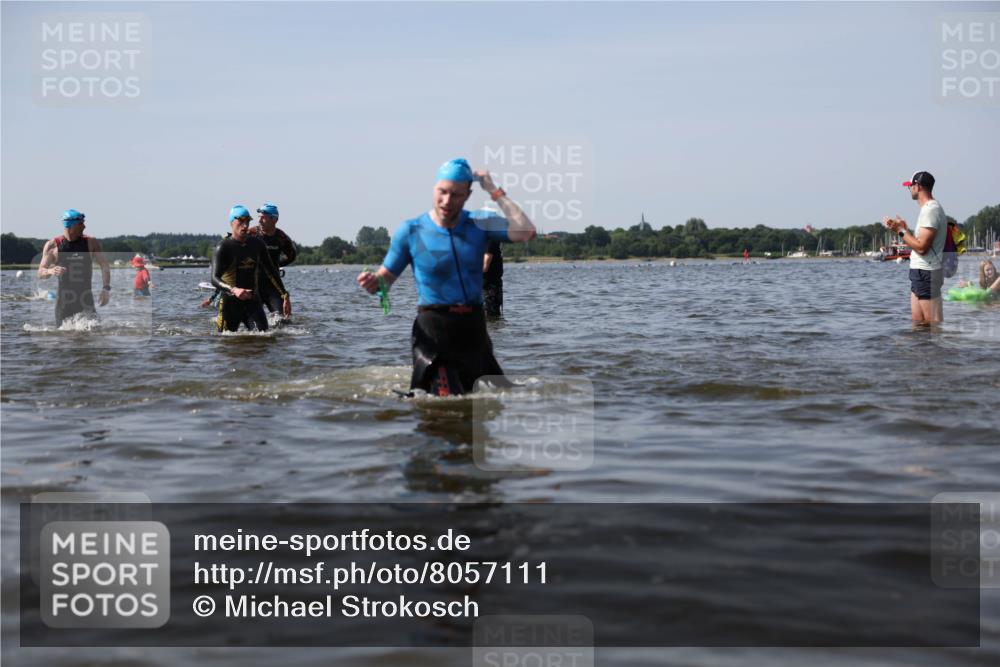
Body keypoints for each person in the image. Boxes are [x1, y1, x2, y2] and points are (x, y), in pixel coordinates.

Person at [356, 158, 536, 396]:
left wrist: (494, 190)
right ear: (434, 188)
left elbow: (526, 231)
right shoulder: (411, 230)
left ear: (468, 195)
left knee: (494, 399)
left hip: (473, 329)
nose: (447, 201)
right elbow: (386, 278)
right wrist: (374, 283)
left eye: (456, 195)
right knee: (442, 402)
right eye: (442, 192)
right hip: (433, 330)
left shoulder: (479, 224)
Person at [211, 205, 291, 332]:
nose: (245, 225)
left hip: (252, 302)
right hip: (230, 303)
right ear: (232, 223)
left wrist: (284, 295)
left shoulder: (257, 244)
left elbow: (271, 272)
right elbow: (214, 278)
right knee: (225, 345)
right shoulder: (223, 246)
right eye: (241, 221)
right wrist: (233, 289)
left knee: (264, 338)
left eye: (247, 221)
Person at [884, 171, 947, 324]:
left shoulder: (931, 210)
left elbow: (922, 248)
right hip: (920, 272)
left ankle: (938, 349)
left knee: (933, 325)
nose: (910, 189)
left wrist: (900, 231)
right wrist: (906, 231)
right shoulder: (928, 209)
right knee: (918, 324)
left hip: (927, 272)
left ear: (918, 186)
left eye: (910, 186)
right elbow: (920, 243)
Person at [37, 209, 111, 326]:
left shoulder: (91, 242)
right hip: (64, 304)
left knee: (94, 336)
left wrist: (105, 288)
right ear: (71, 226)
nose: (84, 226)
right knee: (63, 339)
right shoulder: (53, 245)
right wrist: (51, 270)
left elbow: (104, 265)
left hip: (86, 300)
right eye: (81, 223)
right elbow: (40, 273)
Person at [249, 202, 297, 322]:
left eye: (263, 217)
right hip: (253, 284)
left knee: (282, 320)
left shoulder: (281, 237)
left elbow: (292, 256)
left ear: (274, 219)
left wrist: (276, 265)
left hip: (273, 285)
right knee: (253, 321)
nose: (259, 220)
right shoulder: (252, 234)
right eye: (259, 217)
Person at [483, 239, 503, 319]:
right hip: (485, 286)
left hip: (489, 287)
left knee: (490, 318)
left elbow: (485, 266)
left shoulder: (489, 240)